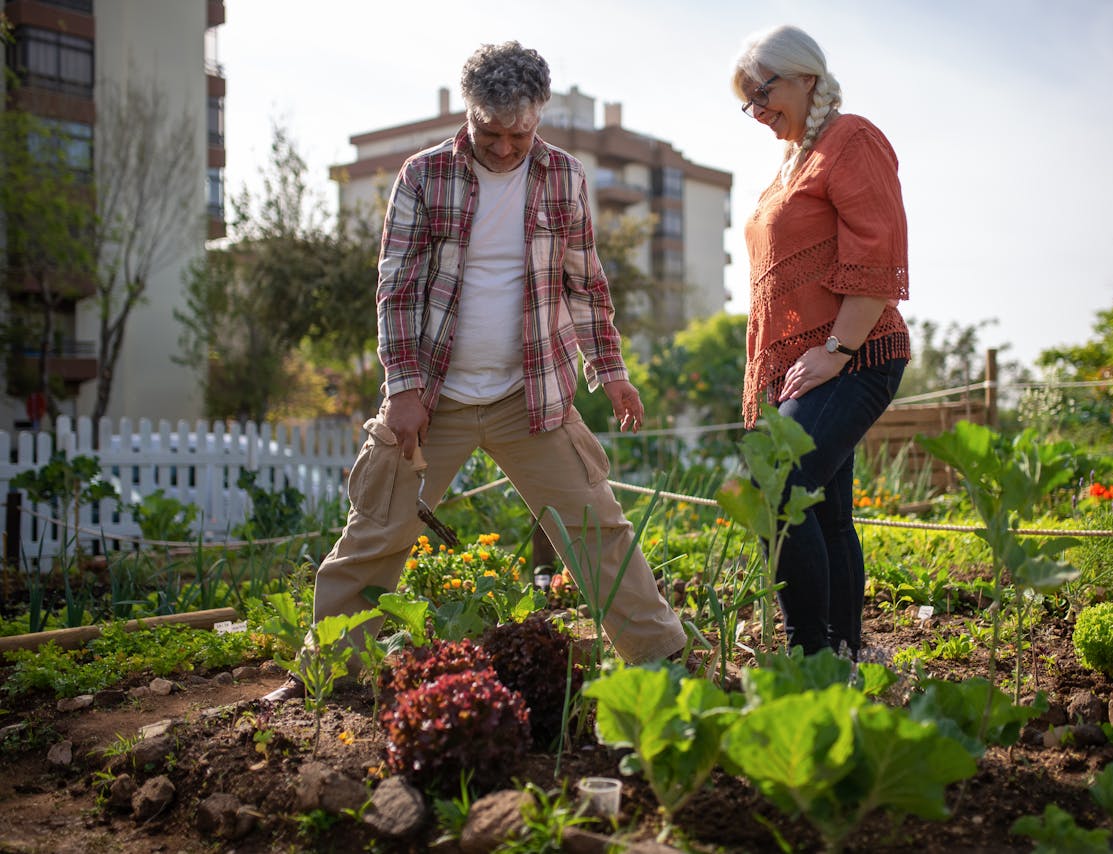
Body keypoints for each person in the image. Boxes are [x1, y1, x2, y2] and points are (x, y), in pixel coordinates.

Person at [263, 41, 687, 703]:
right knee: (378, 528)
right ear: (469, 114)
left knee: (595, 528)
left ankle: (658, 657)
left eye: (519, 133)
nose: (504, 147)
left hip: (531, 396)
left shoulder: (563, 176)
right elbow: (396, 290)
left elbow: (584, 284)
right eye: (490, 132)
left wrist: (612, 370)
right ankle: (324, 674)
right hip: (434, 398)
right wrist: (403, 390)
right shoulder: (423, 176)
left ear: (538, 117)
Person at [731, 25, 911, 660]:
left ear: (806, 75)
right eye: (747, 101)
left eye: (763, 91)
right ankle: (846, 656)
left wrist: (835, 350)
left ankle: (813, 657)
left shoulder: (849, 139)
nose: (756, 111)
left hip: (855, 355)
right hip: (808, 365)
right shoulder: (793, 161)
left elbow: (877, 248)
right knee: (825, 515)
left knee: (774, 488)